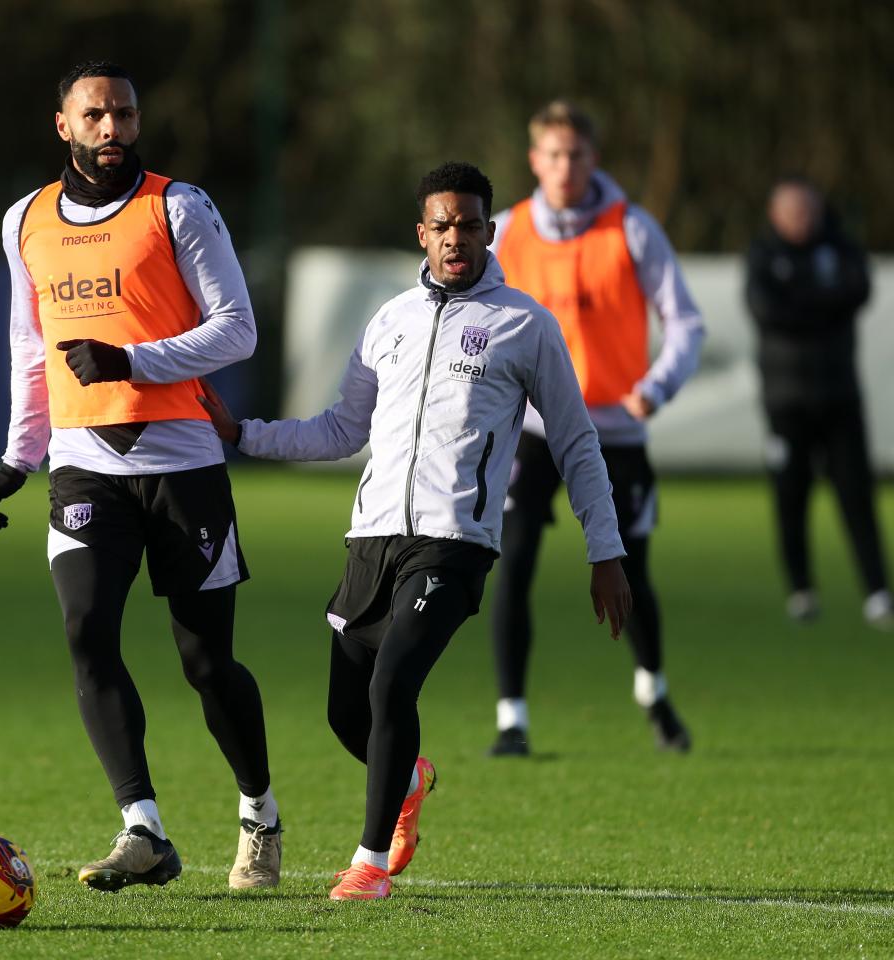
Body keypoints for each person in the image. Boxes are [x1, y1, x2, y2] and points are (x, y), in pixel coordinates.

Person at [200, 161, 632, 901]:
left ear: (489, 232)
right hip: (372, 539)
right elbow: (342, 428)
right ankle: (411, 779)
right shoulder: (389, 320)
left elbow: (575, 441)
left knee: (395, 679)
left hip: (455, 542)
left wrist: (606, 549)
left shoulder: (525, 325)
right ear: (422, 234)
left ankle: (367, 866)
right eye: (442, 225)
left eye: (469, 224)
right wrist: (244, 433)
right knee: (347, 710)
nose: (455, 237)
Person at [0, 60, 282, 893]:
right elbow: (29, 352)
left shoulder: (179, 206)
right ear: (63, 126)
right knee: (85, 633)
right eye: (97, 116)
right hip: (83, 468)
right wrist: (15, 458)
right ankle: (143, 828)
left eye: (127, 116)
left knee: (207, 663)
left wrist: (132, 359)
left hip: (182, 462)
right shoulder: (24, 220)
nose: (114, 130)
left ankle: (260, 813)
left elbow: (238, 330)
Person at [485, 100, 705, 757]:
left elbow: (687, 323)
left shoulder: (632, 229)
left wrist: (656, 388)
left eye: (575, 154)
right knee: (514, 560)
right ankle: (511, 718)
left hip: (614, 430)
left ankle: (654, 691)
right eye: (552, 154)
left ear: (594, 159)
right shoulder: (504, 231)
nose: (564, 167)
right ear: (534, 161)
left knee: (629, 569)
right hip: (532, 429)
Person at [745, 176, 893, 629]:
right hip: (786, 402)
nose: (800, 219)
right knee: (791, 495)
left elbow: (858, 293)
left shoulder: (840, 248)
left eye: (807, 209)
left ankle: (877, 591)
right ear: (774, 214)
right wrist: (823, 306)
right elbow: (770, 312)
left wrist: (805, 304)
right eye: (791, 210)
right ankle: (801, 589)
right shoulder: (764, 255)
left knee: (856, 495)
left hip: (840, 396)